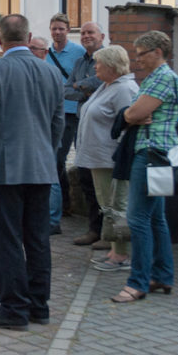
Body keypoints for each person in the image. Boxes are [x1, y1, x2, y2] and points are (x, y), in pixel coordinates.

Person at [0, 14, 64, 330]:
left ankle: (13, 308)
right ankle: (39, 306)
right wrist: (46, 153)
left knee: (6, 239)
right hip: (40, 166)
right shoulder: (51, 72)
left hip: (4, 168)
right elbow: (57, 122)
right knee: (37, 239)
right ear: (29, 35)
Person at [114, 31, 178, 303]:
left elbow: (133, 113)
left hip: (151, 153)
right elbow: (134, 113)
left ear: (157, 52)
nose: (137, 59)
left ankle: (138, 282)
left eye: (142, 53)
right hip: (162, 154)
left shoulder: (162, 78)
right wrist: (132, 114)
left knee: (138, 219)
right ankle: (162, 277)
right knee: (156, 218)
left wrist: (131, 114)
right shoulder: (163, 77)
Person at [75, 45, 138, 271]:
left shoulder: (124, 89)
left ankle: (121, 255)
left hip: (110, 160)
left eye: (99, 64)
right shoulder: (108, 86)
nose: (96, 68)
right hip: (98, 159)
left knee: (116, 205)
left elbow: (128, 125)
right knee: (107, 205)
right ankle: (114, 250)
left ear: (112, 66)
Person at [67, 21, 108, 248]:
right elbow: (66, 90)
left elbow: (100, 83)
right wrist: (84, 88)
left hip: (100, 133)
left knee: (102, 184)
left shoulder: (107, 59)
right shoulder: (80, 61)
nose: (85, 36)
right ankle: (94, 229)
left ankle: (107, 233)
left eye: (90, 32)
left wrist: (79, 86)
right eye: (82, 32)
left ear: (102, 35)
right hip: (82, 128)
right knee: (86, 181)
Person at [47, 14, 86, 225]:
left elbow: (80, 83)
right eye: (54, 28)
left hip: (72, 112)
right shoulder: (47, 53)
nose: (57, 32)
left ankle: (64, 204)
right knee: (56, 158)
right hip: (52, 112)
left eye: (61, 28)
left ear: (68, 30)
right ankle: (63, 203)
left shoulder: (78, 53)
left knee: (61, 157)